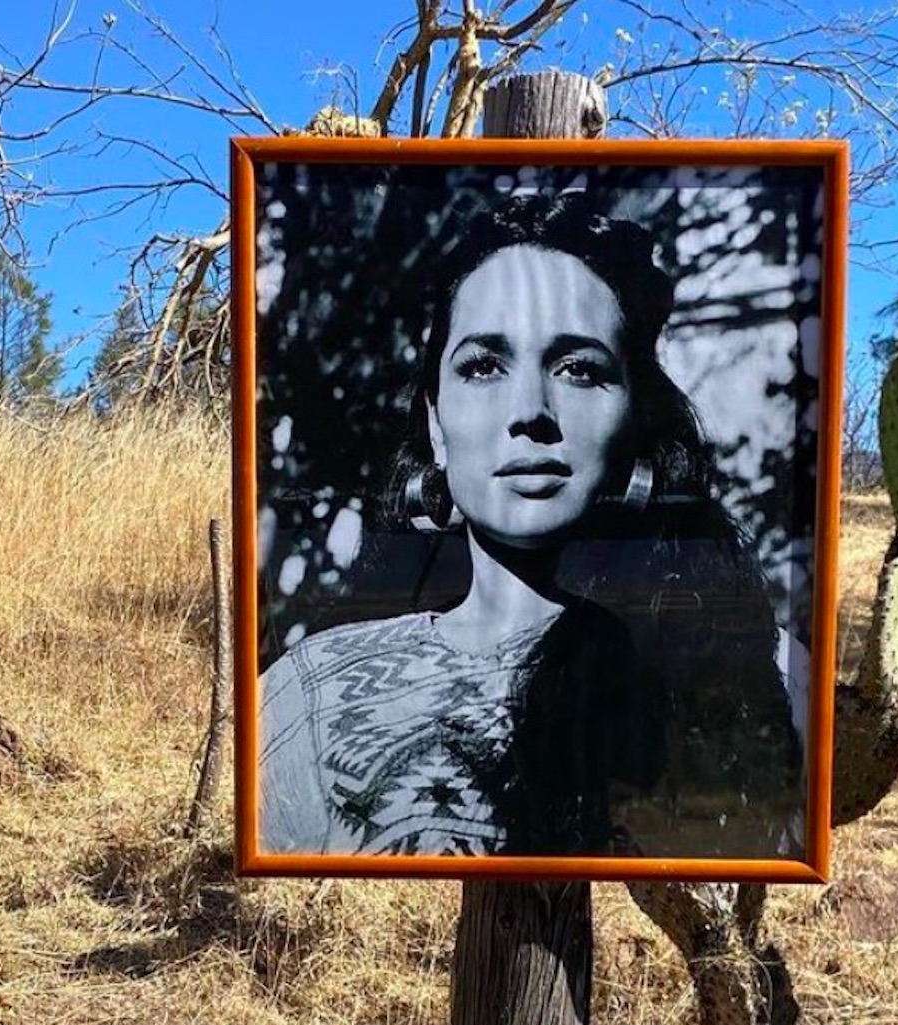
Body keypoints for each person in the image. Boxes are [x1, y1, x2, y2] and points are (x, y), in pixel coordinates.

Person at [259, 191, 807, 859]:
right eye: (483, 366)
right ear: (435, 421)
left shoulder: (762, 669)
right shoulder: (306, 693)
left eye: (579, 369)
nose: (531, 411)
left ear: (635, 418)